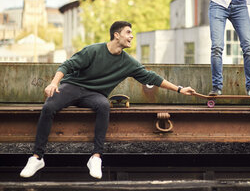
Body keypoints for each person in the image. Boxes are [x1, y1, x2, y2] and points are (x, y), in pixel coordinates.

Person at [20, 21, 195, 179]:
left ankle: (96, 157)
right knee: (49, 106)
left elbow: (152, 78)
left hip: (94, 94)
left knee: (104, 105)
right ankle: (37, 157)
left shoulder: (128, 63)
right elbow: (67, 65)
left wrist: (179, 89)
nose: (131, 36)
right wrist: (54, 83)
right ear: (116, 35)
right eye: (128, 32)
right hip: (72, 87)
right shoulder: (93, 50)